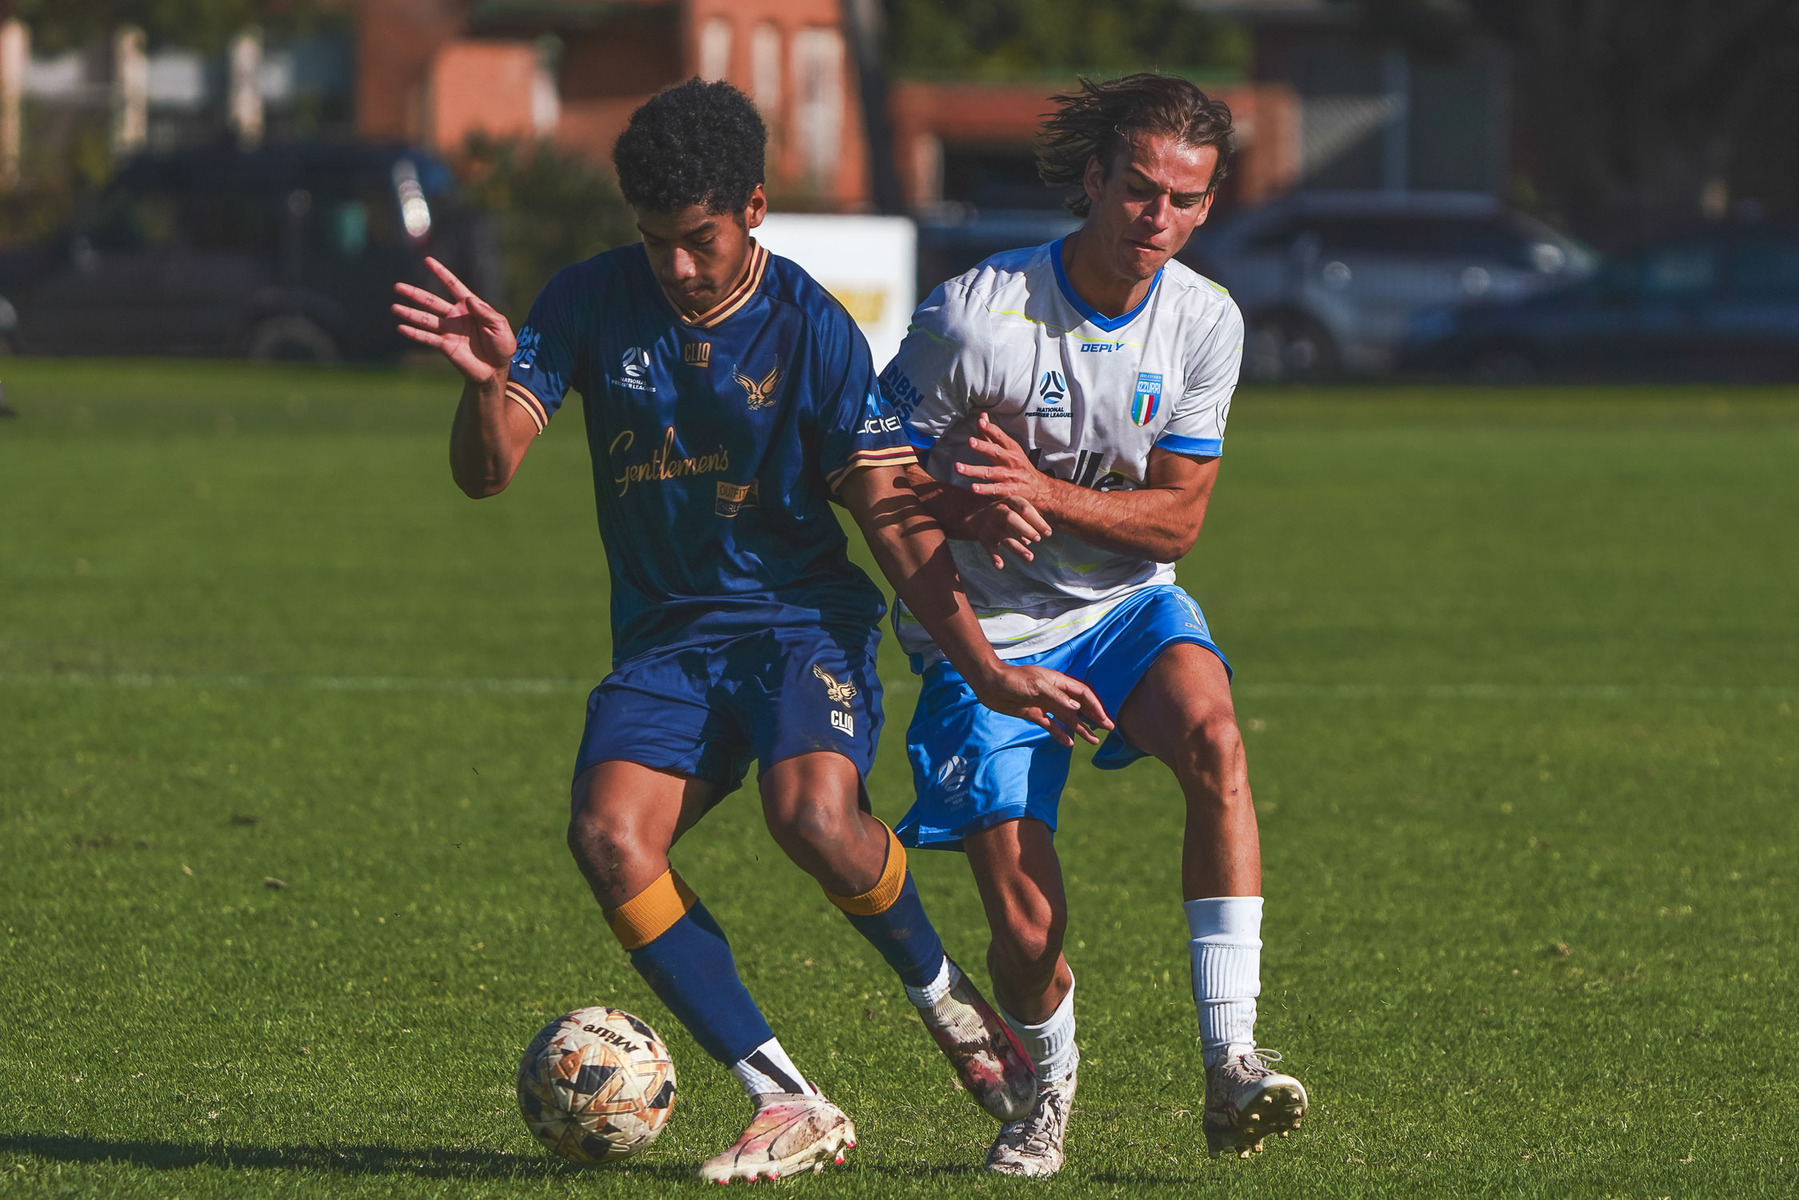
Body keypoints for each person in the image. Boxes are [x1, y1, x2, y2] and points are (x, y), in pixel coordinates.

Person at [391, 78, 1111, 1184]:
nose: (677, 266)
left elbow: (886, 513)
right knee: (607, 839)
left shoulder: (810, 328)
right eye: (656, 242)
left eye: (699, 239)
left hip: (795, 626)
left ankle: (946, 1004)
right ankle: (786, 1100)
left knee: (811, 815)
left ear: (755, 207)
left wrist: (985, 666)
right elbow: (486, 477)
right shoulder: (587, 299)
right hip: (666, 644)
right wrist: (489, 384)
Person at [878, 73, 1308, 1176]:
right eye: (1136, 189)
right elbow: (866, 474)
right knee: (1025, 942)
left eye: (1183, 199)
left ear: (1208, 206)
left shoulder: (1204, 320)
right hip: (986, 636)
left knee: (1215, 738)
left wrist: (1044, 492)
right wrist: (964, 501)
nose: (1154, 218)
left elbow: (1180, 516)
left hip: (1124, 608)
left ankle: (1230, 1062)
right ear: (1092, 179)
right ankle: (1047, 1087)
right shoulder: (975, 315)